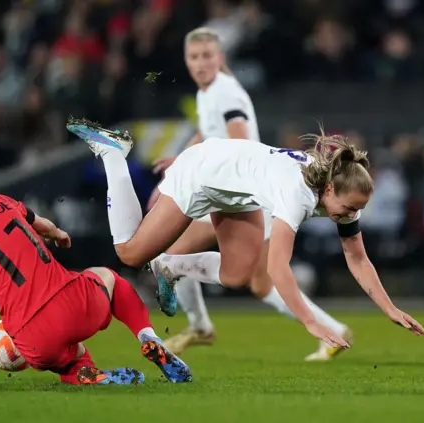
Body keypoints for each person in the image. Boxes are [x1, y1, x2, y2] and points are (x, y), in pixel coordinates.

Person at [66, 120, 424, 349]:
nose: (350, 216)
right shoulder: (297, 195)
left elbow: (357, 257)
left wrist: (390, 308)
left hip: (237, 190)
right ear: (330, 190)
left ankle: (170, 267)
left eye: (356, 209)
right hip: (203, 175)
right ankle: (114, 154)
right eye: (348, 208)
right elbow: (278, 268)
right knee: (130, 253)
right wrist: (311, 321)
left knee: (237, 274)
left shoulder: (341, 192)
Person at [0, 149, 192, 387]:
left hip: (32, 339)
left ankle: (86, 373)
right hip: (78, 305)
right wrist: (58, 233)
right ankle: (148, 338)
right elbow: (41, 224)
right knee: (108, 277)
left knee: (66, 357)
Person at [147, 27, 351, 361]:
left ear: (220, 58)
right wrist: (183, 156)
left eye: (207, 56)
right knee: (260, 282)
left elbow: (238, 139)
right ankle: (333, 330)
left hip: (238, 192)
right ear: (187, 61)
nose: (201, 63)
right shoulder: (209, 93)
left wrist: (193, 169)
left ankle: (199, 325)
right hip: (242, 190)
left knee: (166, 255)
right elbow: (209, 131)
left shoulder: (225, 93)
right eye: (194, 57)